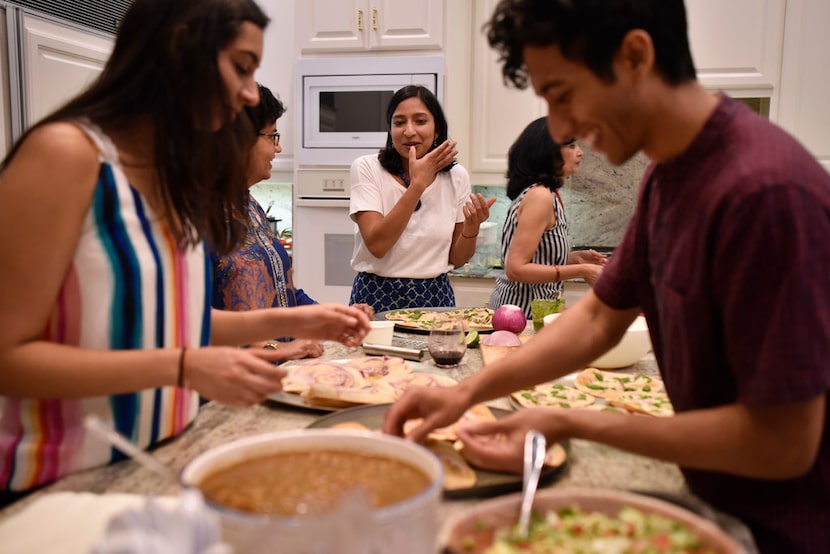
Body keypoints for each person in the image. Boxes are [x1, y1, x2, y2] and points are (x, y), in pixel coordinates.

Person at [384, 1, 830, 551]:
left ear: (636, 56)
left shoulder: (764, 194)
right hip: (711, 507)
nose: (559, 126)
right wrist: (468, 393)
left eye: (563, 94)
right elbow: (598, 318)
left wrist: (571, 423)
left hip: (779, 534)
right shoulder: (670, 180)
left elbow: (782, 444)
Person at [0, 0, 369, 502]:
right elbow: (8, 357)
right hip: (58, 486)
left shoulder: (176, 182)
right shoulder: (66, 156)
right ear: (179, 50)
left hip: (159, 466)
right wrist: (183, 367)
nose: (249, 93)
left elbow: (174, 320)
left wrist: (306, 320)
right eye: (241, 68)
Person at [213, 84, 373, 362]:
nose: (278, 147)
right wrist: (276, 349)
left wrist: (334, 316)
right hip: (234, 386)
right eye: (272, 135)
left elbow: (282, 291)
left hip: (280, 376)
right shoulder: (197, 218)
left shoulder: (250, 205)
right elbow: (191, 324)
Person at [348, 85, 497, 313]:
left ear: (437, 129)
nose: (409, 131)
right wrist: (418, 184)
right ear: (390, 130)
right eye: (399, 123)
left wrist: (471, 228)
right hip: (375, 295)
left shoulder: (456, 177)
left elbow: (457, 259)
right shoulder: (367, 168)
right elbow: (378, 245)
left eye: (420, 121)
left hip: (435, 295)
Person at [489, 117, 606, 318]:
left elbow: (538, 259)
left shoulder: (549, 194)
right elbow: (516, 268)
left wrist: (573, 260)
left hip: (537, 313)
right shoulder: (540, 196)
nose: (580, 152)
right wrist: (582, 270)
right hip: (519, 316)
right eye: (571, 145)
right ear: (547, 153)